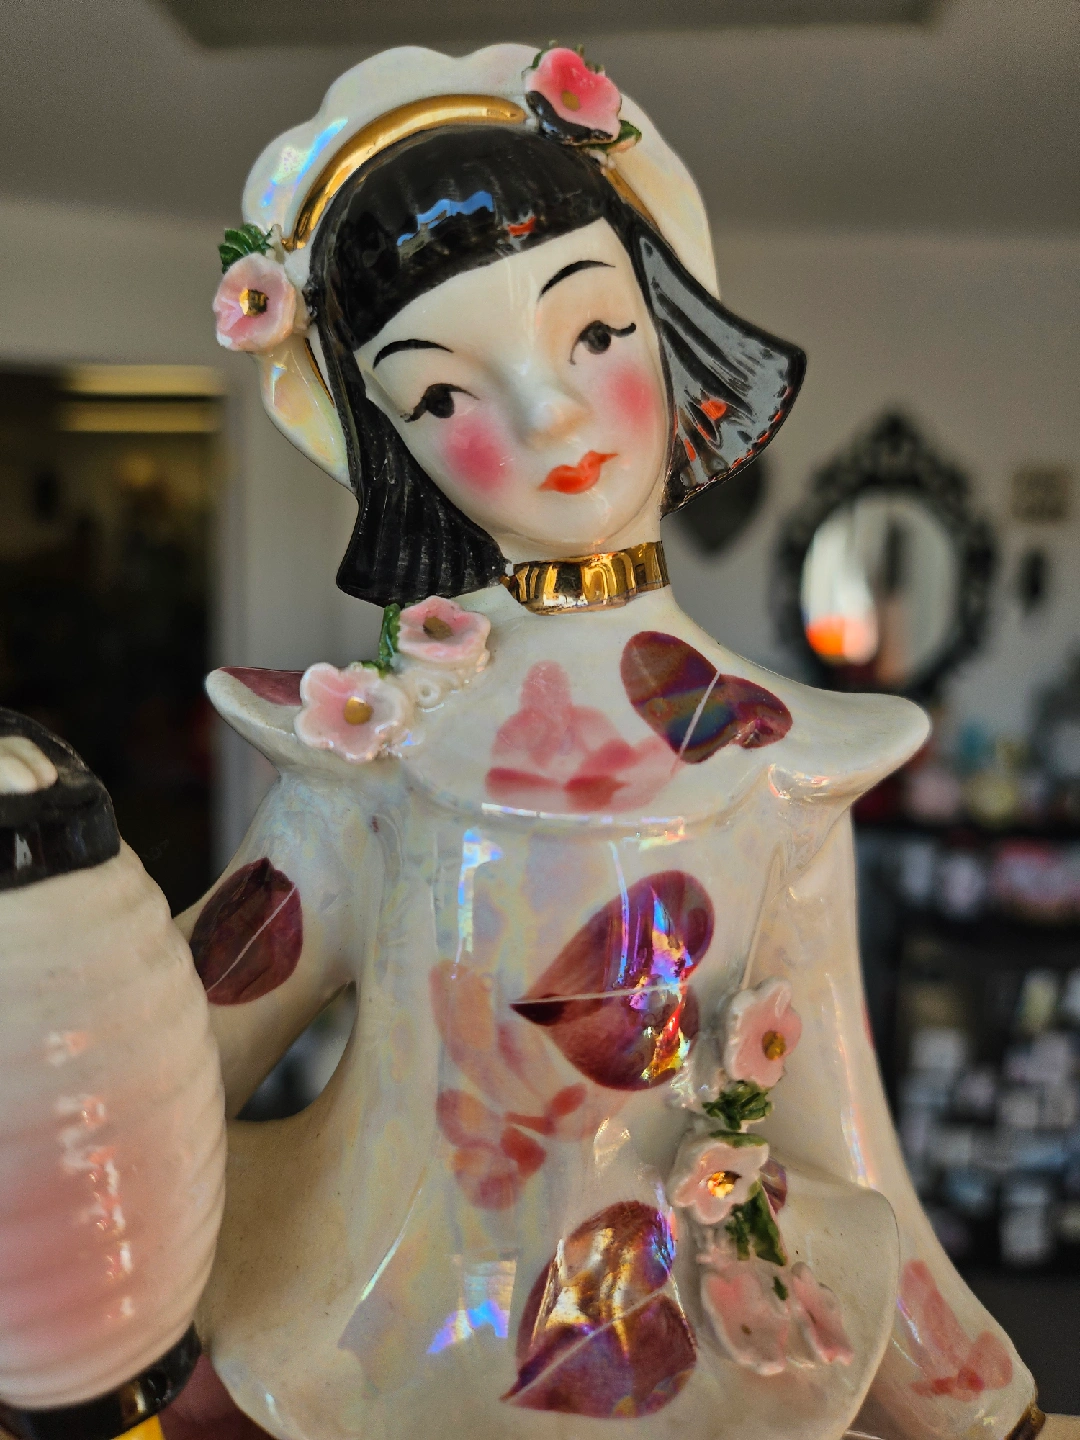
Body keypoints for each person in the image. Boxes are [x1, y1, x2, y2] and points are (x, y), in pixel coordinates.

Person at [177, 42, 1037, 1440]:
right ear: (389, 442)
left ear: (665, 321)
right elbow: (182, 1042)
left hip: (682, 1333)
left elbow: (831, 1114)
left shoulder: (769, 761)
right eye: (442, 394)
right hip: (366, 1331)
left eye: (591, 334)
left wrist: (969, 1391)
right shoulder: (381, 758)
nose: (550, 415)